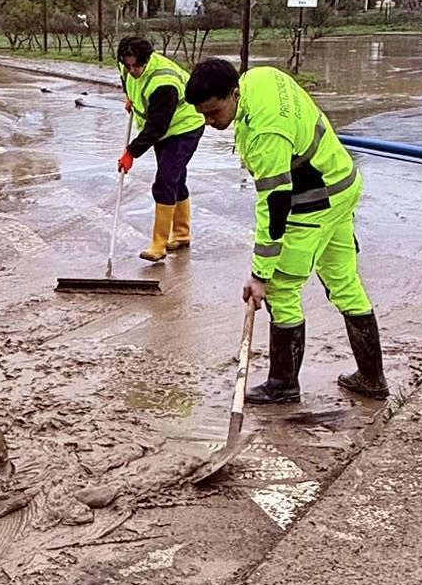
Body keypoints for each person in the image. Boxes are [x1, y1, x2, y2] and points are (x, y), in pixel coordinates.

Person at [184, 58, 388, 405]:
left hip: (314, 198)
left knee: (281, 288)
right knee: (344, 281)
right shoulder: (261, 77)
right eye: (202, 115)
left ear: (234, 93)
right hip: (340, 181)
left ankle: (283, 384)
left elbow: (275, 205)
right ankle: (371, 377)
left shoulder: (266, 134)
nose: (210, 122)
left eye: (214, 112)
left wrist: (260, 275)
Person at [115, 36, 206, 261]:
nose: (133, 70)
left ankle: (159, 244)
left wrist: (131, 152)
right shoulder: (125, 66)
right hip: (165, 128)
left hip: (184, 126)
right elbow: (129, 82)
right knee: (175, 178)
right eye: (128, 65)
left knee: (165, 180)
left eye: (138, 65)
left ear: (148, 59)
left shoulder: (163, 82)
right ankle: (182, 235)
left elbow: (156, 127)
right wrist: (131, 99)